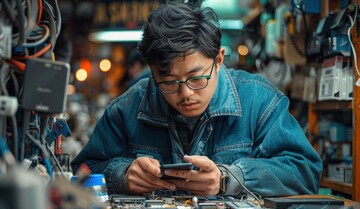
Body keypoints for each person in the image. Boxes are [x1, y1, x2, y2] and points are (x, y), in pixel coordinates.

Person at [72, 2, 322, 197]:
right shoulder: (126, 108)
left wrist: (229, 178)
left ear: (219, 59)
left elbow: (305, 171)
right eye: (169, 82)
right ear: (152, 70)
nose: (185, 94)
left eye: (196, 78)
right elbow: (81, 171)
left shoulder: (261, 101)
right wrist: (122, 175)